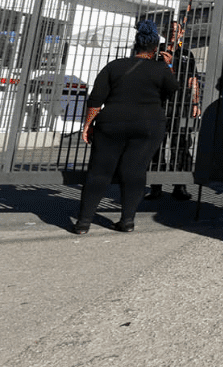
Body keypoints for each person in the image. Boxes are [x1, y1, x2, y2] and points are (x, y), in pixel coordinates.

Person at [74, 21, 178, 234]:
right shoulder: (161, 69)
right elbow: (172, 90)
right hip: (148, 123)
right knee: (135, 171)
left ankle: (83, 222)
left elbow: (95, 99)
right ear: (155, 48)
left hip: (112, 121)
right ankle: (127, 220)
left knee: (99, 171)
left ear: (135, 45)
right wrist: (168, 66)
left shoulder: (115, 66)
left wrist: (87, 125)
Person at [145, 20, 200, 201]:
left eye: (177, 31)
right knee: (156, 146)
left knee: (181, 146)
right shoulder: (155, 51)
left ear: (182, 34)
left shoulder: (186, 54)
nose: (173, 33)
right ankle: (155, 186)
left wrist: (195, 103)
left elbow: (193, 80)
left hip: (180, 106)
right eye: (170, 30)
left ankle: (180, 185)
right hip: (159, 105)